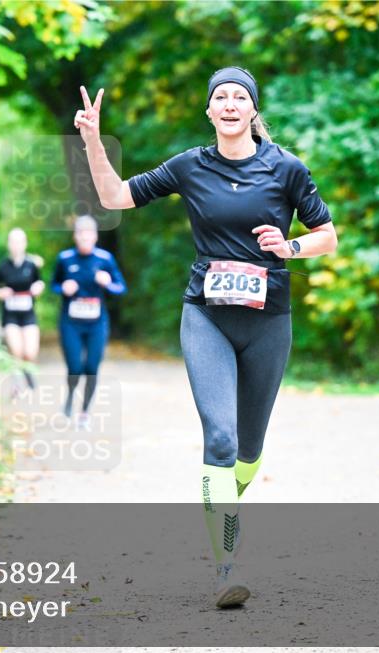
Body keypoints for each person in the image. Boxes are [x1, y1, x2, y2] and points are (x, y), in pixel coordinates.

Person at [73, 66, 339, 608]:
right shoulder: (191, 166)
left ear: (252, 110)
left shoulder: (286, 169)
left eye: (240, 96)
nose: (230, 104)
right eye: (221, 96)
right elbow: (115, 198)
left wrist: (287, 248)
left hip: (268, 320)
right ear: (210, 111)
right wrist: (94, 142)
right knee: (219, 439)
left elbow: (327, 238)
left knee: (248, 452)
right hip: (207, 316)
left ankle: (224, 503)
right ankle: (226, 568)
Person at [51, 215, 126, 430]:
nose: (84, 237)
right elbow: (53, 285)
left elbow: (121, 288)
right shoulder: (65, 259)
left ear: (94, 236)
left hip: (96, 323)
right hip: (70, 323)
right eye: (80, 233)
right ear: (75, 236)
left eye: (88, 233)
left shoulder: (105, 259)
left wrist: (109, 283)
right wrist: (63, 288)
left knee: (92, 368)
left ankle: (84, 411)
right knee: (75, 367)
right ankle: (68, 400)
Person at [0, 228, 45, 393]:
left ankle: (28, 373)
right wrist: (1, 293)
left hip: (28, 313)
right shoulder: (2, 266)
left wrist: (38, 288)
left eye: (19, 241)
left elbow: (40, 283)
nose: (16, 245)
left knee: (30, 352)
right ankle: (17, 385)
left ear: (25, 244)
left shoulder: (32, 264)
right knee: (16, 350)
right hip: (10, 315)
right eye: (13, 241)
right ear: (8, 244)